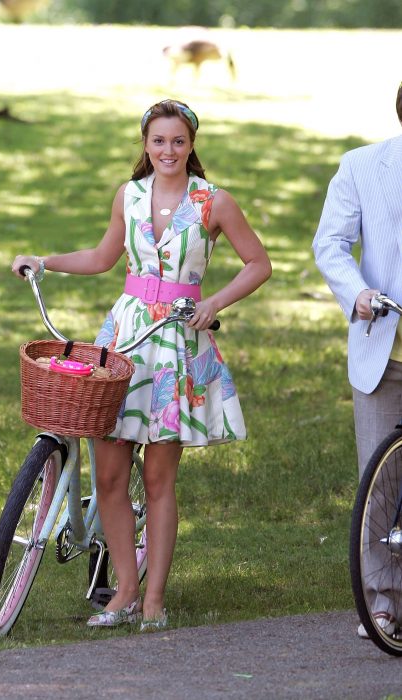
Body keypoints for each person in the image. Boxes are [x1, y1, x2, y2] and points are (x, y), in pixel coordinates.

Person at [12, 99, 271, 630]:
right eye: (158, 141)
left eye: (178, 141)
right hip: (127, 335)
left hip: (177, 338)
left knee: (158, 477)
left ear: (192, 144)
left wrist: (213, 303)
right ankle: (122, 591)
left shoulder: (213, 202)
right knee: (109, 472)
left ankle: (153, 599)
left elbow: (259, 263)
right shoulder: (128, 196)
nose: (168, 151)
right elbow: (104, 257)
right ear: (145, 144)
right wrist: (46, 262)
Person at [313, 82, 402, 639]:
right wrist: (357, 292)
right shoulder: (363, 166)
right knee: (381, 480)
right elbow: (330, 243)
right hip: (384, 343)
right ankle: (384, 602)